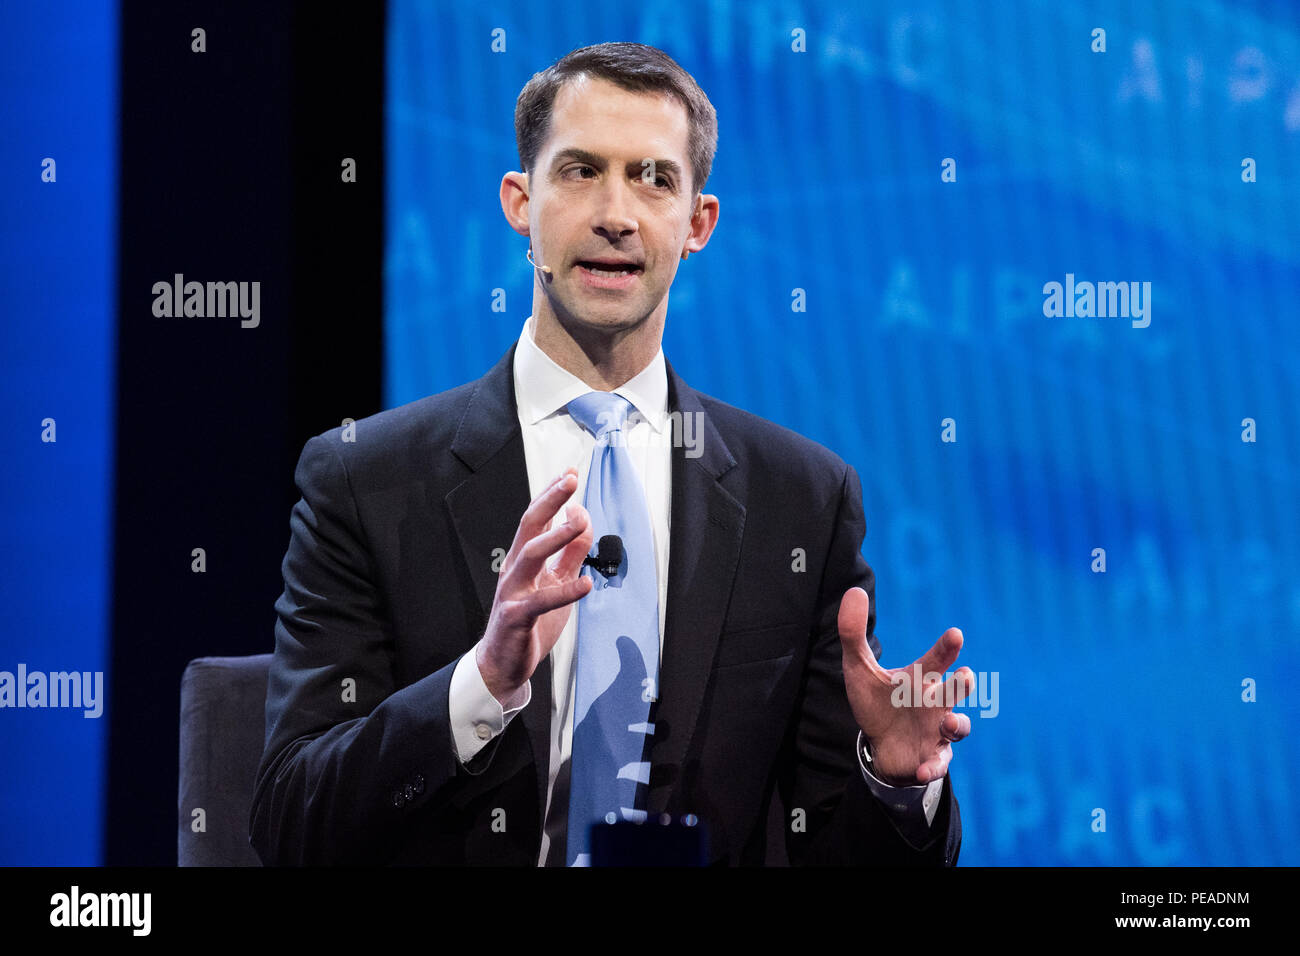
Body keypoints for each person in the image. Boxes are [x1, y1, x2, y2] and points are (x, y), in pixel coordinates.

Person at [251, 41, 974, 867]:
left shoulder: (801, 500)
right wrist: (481, 684)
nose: (616, 214)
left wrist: (891, 778)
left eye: (654, 178)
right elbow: (290, 822)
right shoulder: (365, 480)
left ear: (698, 222)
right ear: (521, 202)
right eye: (580, 171)